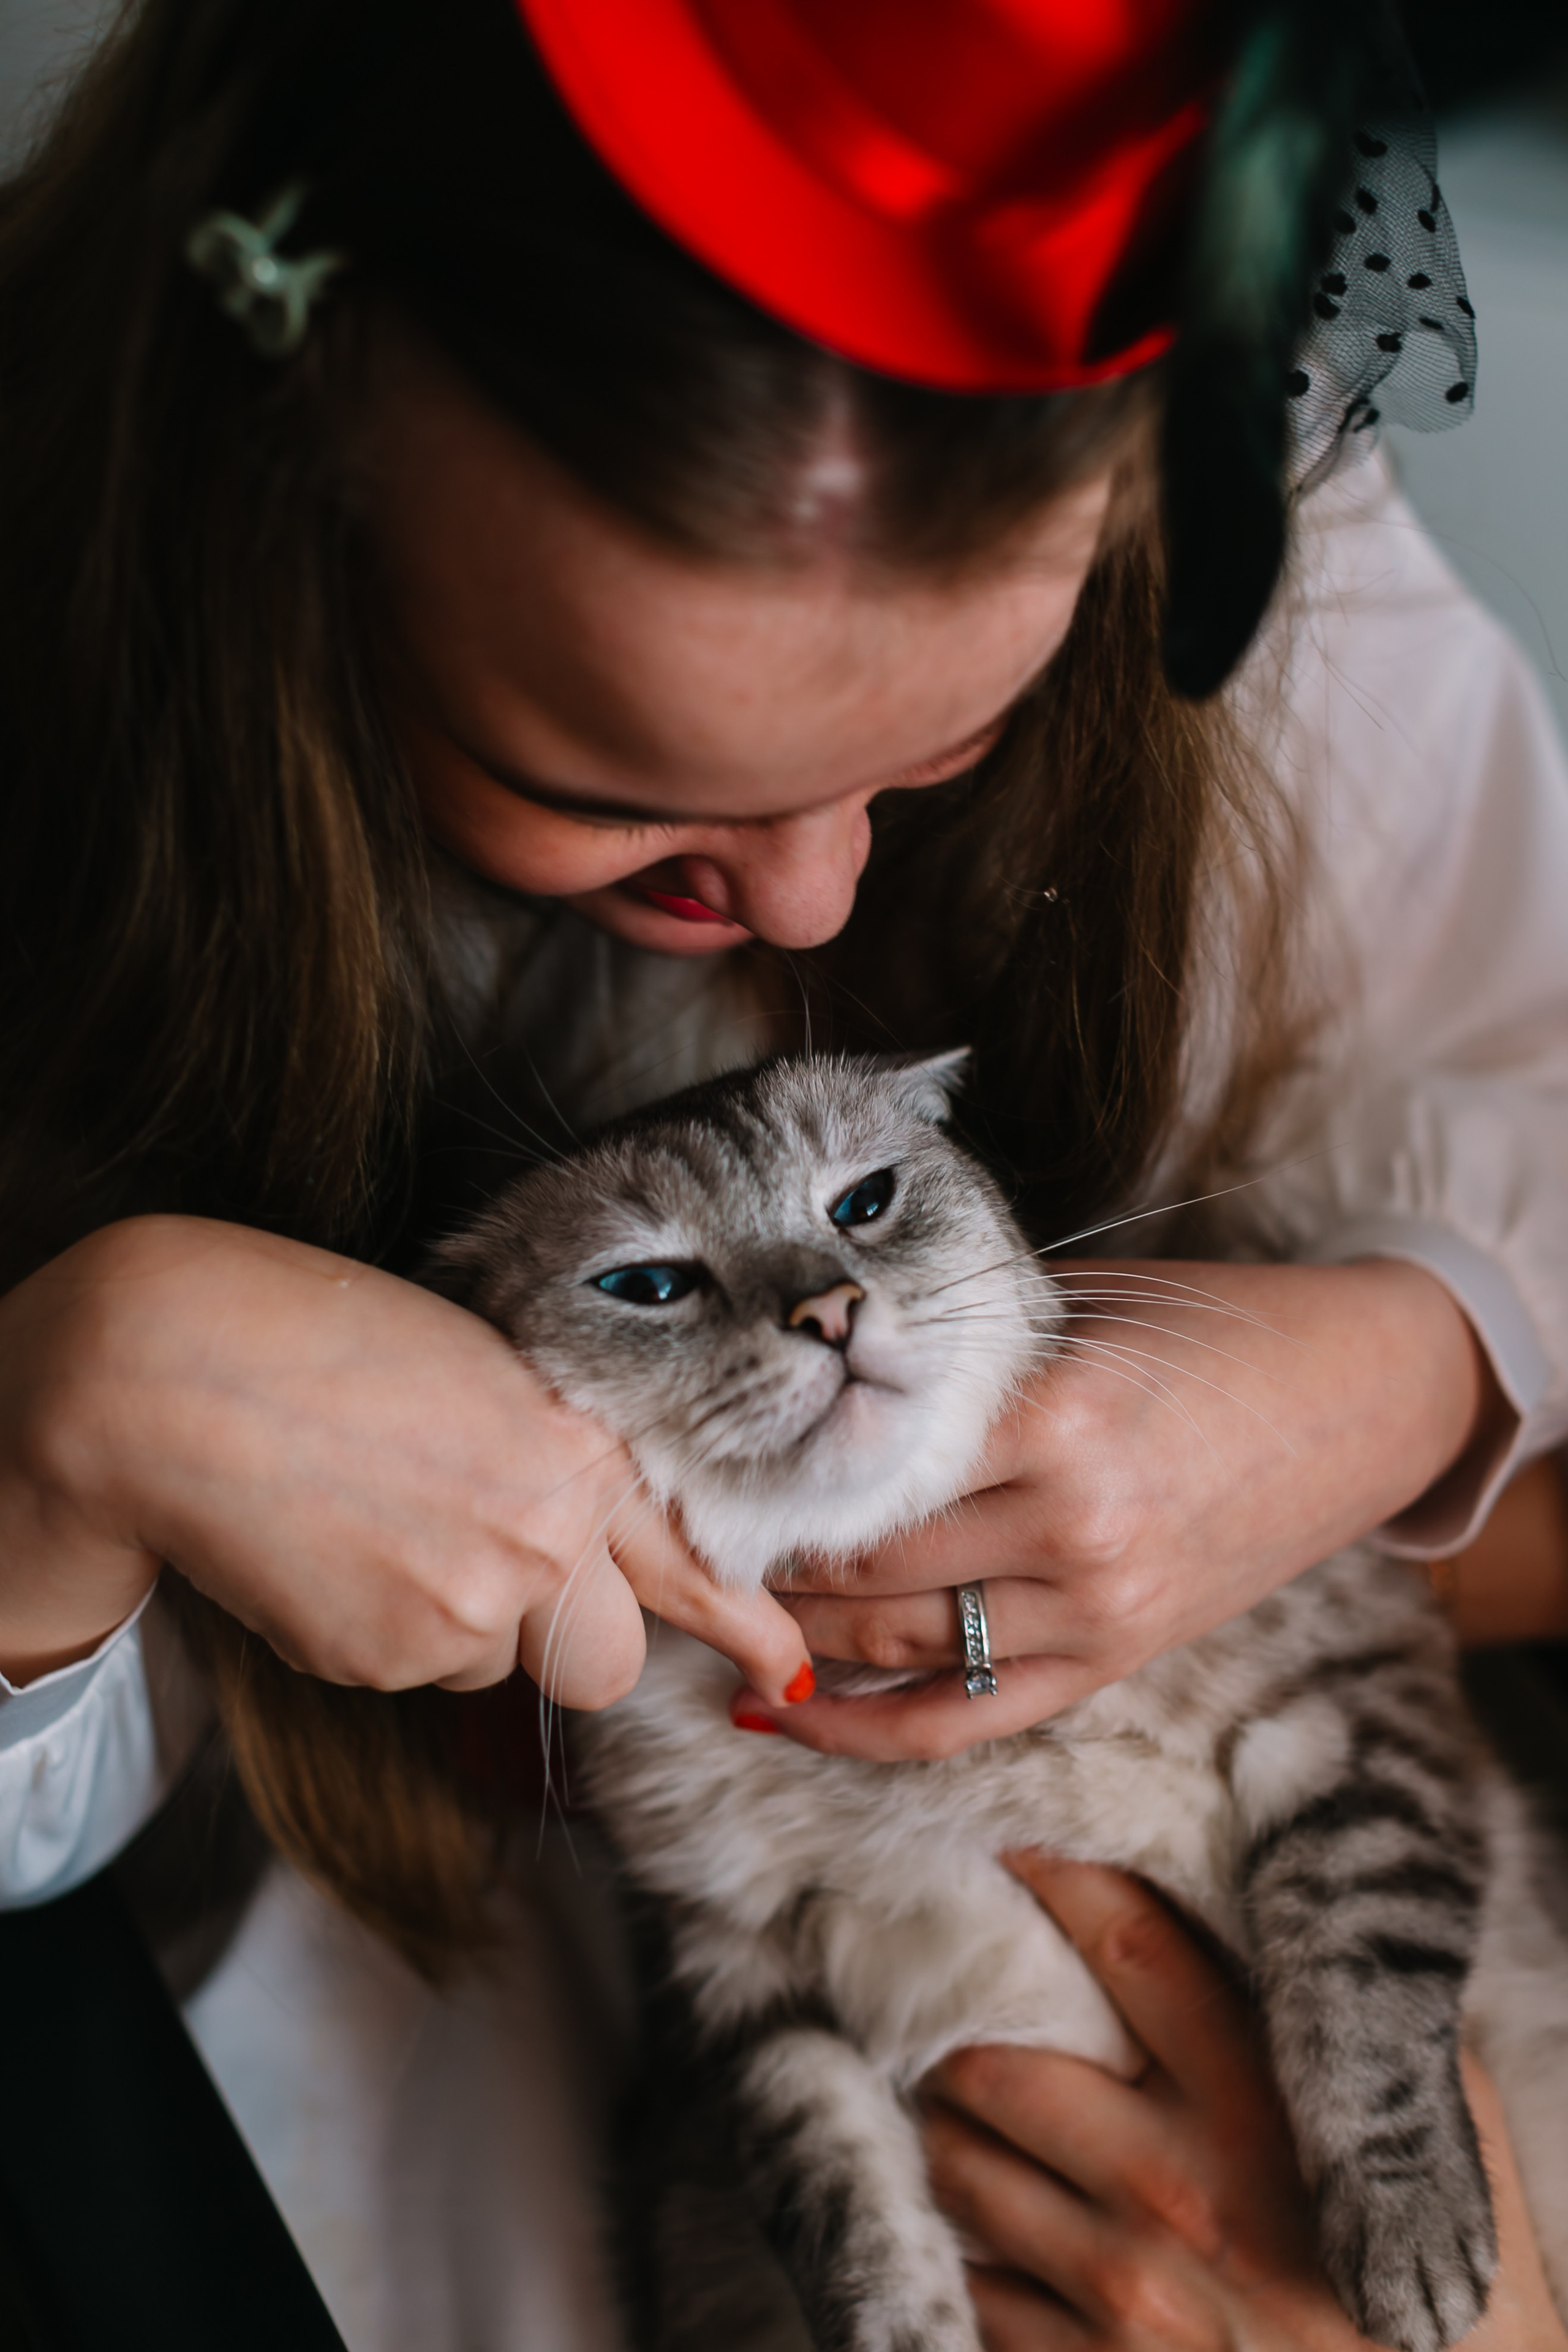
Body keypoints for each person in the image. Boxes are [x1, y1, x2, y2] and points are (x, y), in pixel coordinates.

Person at [1, 1, 1566, 2345]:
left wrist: (1402, 1365)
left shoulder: (1229, 538)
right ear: (290, 522)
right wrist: (62, 1434)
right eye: (624, 790)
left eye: (949, 742)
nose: (826, 899)